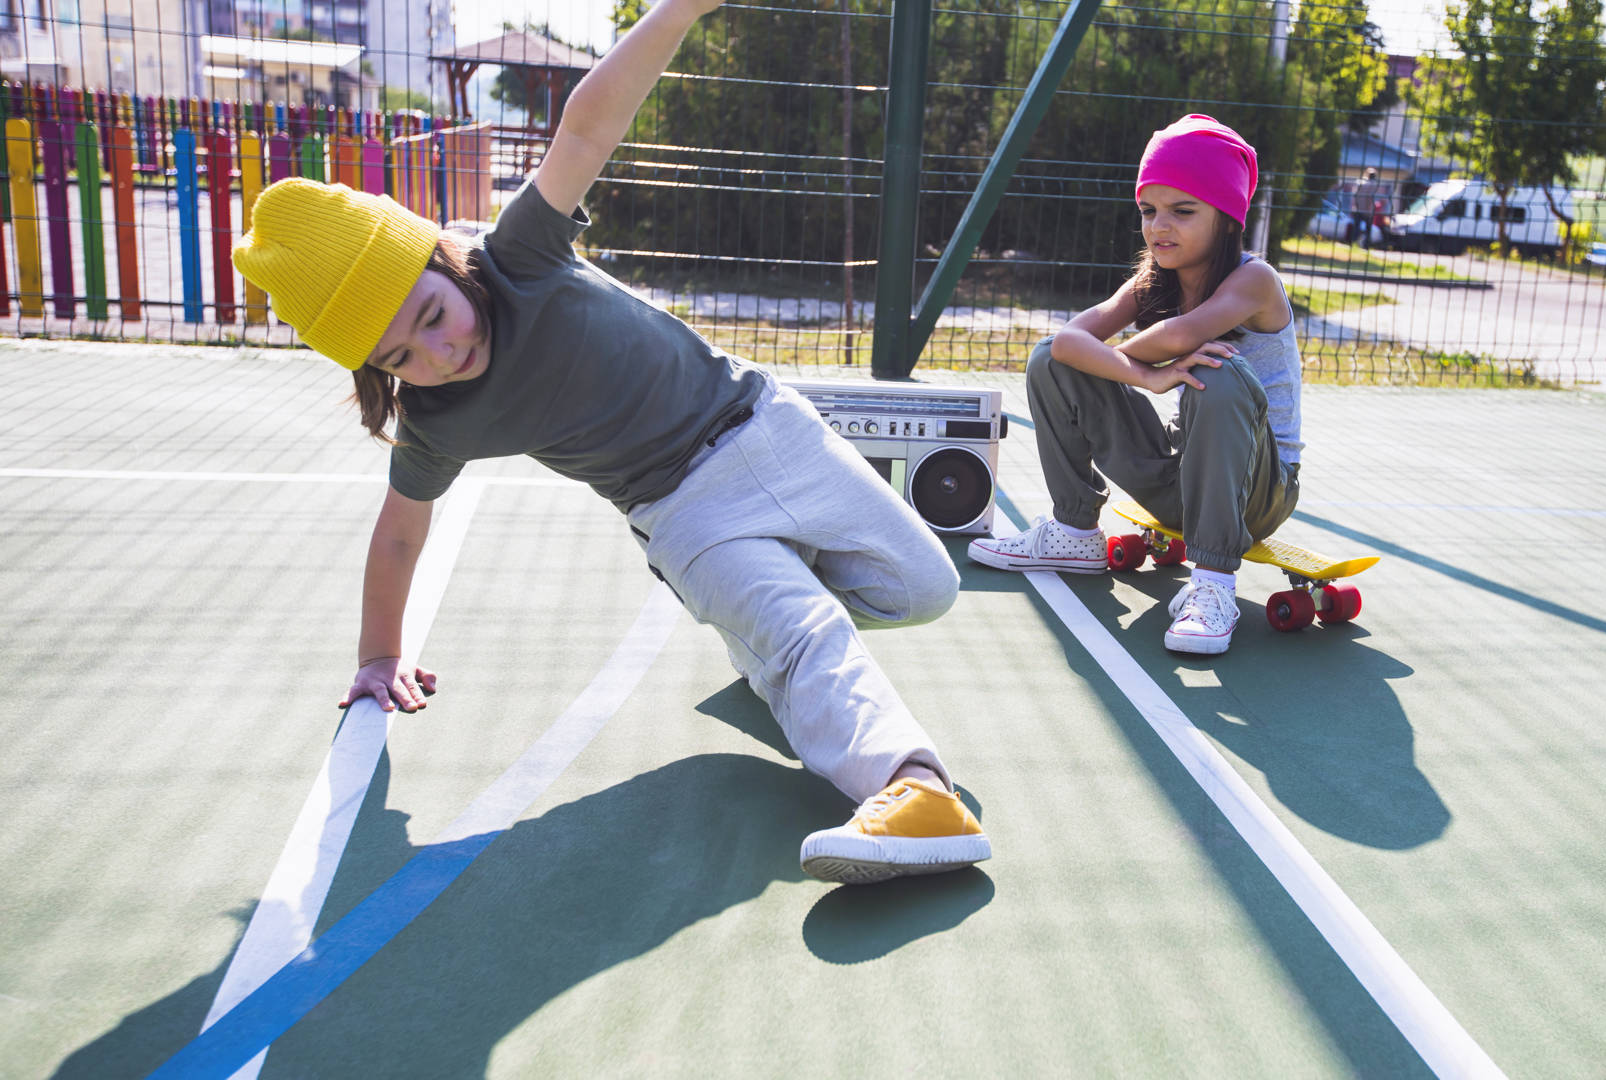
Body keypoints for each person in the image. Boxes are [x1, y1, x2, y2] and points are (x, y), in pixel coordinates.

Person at [230, 0, 988, 887]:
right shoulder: (438, 421)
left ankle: (774, 643)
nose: (441, 352)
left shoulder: (522, 255)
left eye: (434, 317)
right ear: (377, 372)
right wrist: (378, 657)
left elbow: (588, 124)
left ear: (442, 260)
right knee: (804, 630)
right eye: (402, 357)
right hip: (680, 507)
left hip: (767, 423)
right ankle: (915, 786)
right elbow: (399, 531)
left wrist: (680, 9)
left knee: (924, 587)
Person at [966, 114, 1302, 656]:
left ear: (1227, 218)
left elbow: (1183, 334)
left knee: (1215, 370)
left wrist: (1117, 361)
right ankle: (1075, 533)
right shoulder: (1152, 280)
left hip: (1257, 495)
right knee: (1050, 362)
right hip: (1180, 485)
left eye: (1182, 211)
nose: (1159, 226)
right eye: (1149, 210)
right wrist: (1142, 375)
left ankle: (1213, 584)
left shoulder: (1254, 280)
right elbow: (1064, 345)